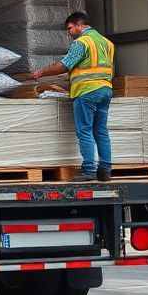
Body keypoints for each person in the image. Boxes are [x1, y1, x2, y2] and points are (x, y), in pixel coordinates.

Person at [32, 12, 115, 182]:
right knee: (101, 131)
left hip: (87, 91)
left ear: (79, 25)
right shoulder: (107, 43)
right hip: (105, 90)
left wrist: (42, 72)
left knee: (84, 130)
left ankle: (89, 171)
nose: (69, 32)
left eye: (70, 28)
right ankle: (105, 170)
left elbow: (64, 65)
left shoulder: (81, 42)